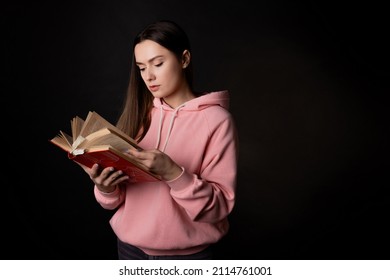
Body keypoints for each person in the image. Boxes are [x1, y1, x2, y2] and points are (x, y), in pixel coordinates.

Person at [79, 19, 239, 260]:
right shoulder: (140, 115)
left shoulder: (216, 121)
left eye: (158, 63)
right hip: (130, 250)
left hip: (187, 258)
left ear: (184, 59)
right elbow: (114, 201)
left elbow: (219, 207)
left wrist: (174, 173)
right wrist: (105, 188)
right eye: (142, 68)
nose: (149, 76)